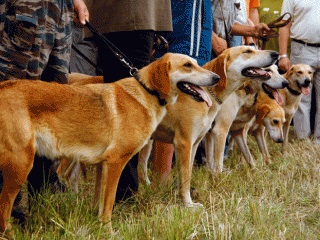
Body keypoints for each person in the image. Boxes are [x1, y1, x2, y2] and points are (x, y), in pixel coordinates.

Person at [0, 0, 89, 221]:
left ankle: (44, 194)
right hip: (25, 8)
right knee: (15, 100)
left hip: (60, 10)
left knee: (55, 99)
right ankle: (11, 207)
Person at [85, 0, 173, 201]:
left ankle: (122, 193)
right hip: (128, 18)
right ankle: (124, 193)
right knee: (129, 116)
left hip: (132, 18)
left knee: (127, 115)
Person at [151, 0, 213, 184]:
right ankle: (162, 177)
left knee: (183, 114)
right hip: (181, 37)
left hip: (197, 35)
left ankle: (172, 176)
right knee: (171, 107)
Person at [278, 0, 320, 143]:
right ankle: (302, 139)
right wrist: (283, 55)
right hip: (302, 47)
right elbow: (285, 25)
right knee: (301, 97)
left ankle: (318, 139)